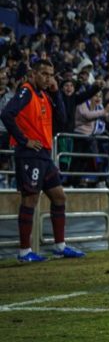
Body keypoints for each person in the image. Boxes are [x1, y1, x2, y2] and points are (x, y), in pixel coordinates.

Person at [0, 59, 85, 262]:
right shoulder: (26, 91)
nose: (49, 78)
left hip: (44, 155)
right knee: (30, 199)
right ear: (34, 74)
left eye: (51, 74)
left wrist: (56, 92)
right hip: (29, 154)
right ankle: (23, 252)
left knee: (59, 197)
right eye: (45, 74)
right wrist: (24, 140)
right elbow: (6, 114)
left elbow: (63, 120)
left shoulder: (45, 95)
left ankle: (60, 246)